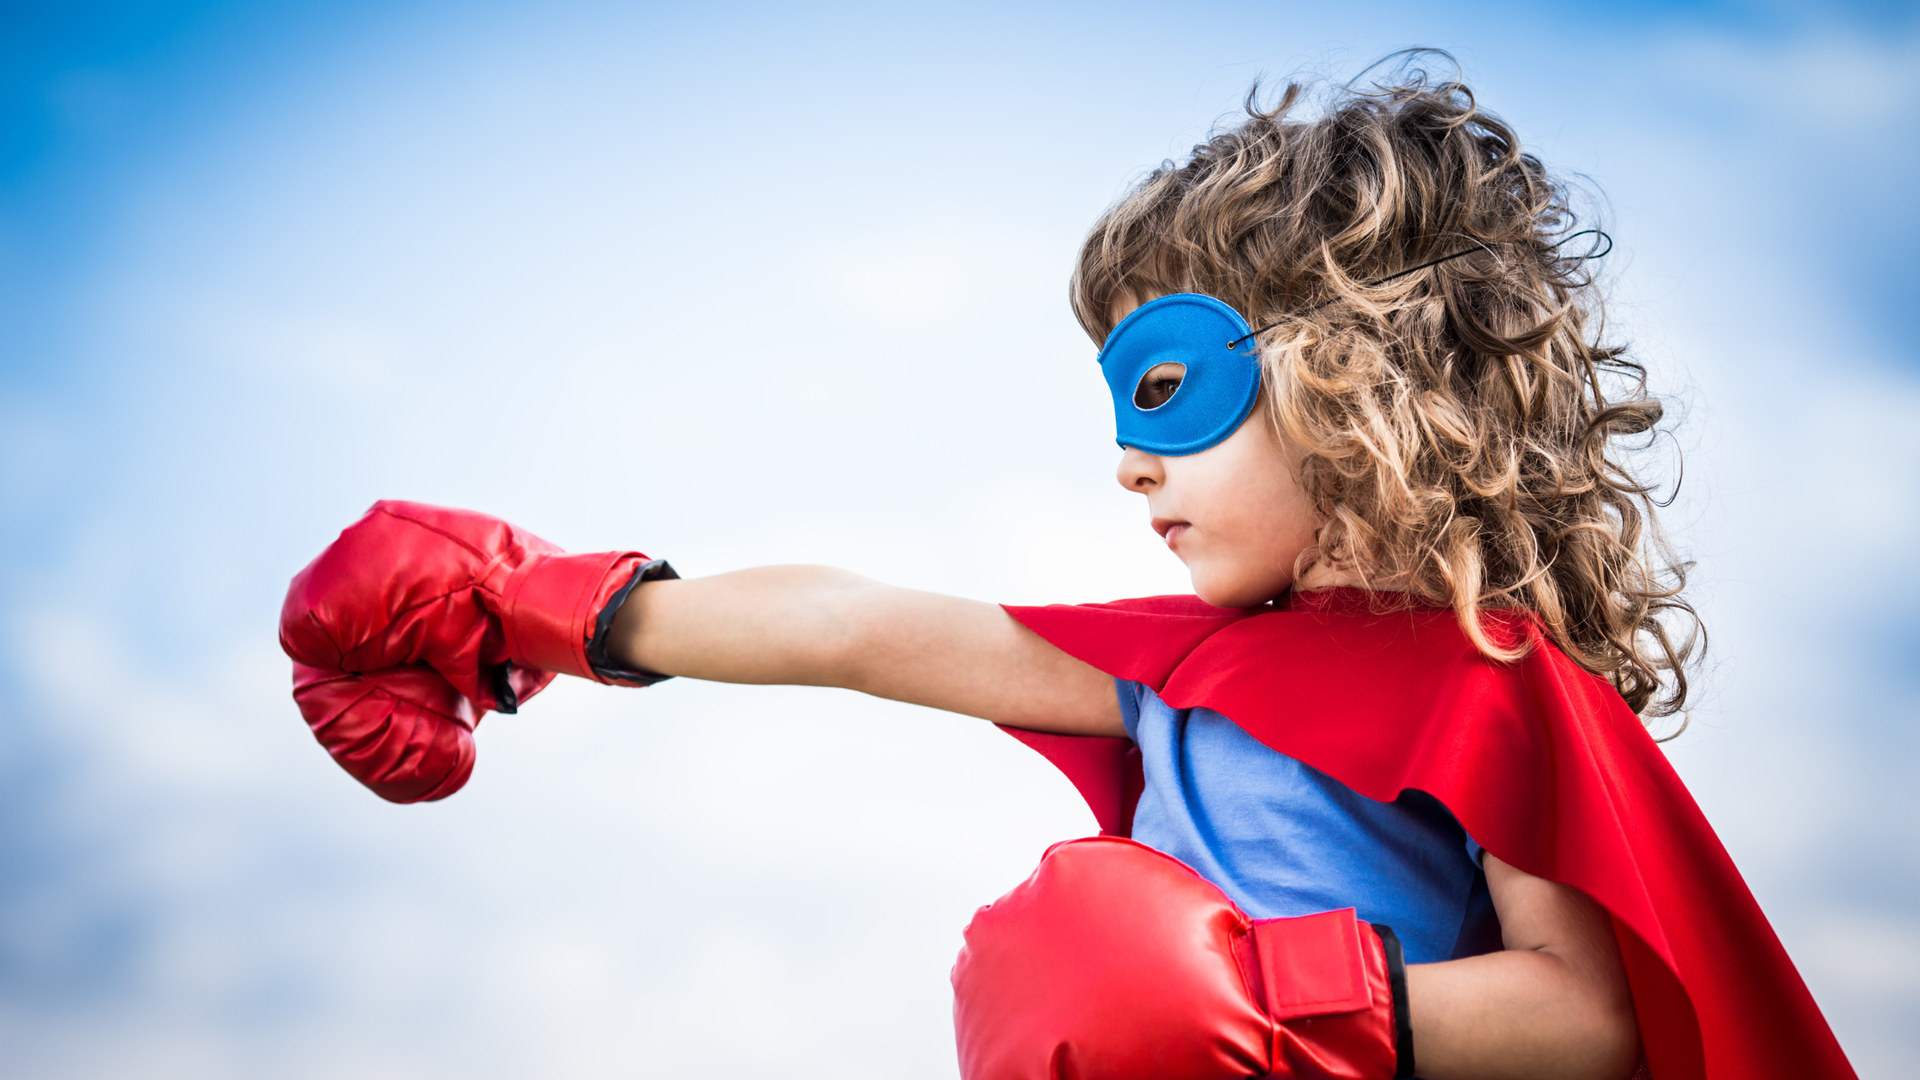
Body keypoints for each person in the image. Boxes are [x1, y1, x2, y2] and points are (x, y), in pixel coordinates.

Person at [279, 56, 1854, 1080]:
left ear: (1357, 377)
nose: (1127, 460)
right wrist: (541, 604)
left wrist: (1266, 999)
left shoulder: (1491, 681)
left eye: (1166, 390)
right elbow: (868, 630)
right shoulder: (1173, 671)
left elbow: (1585, 1022)